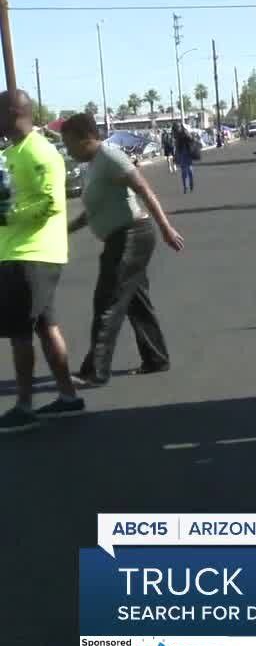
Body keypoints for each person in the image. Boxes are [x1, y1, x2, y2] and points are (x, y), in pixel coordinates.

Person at [59, 113, 184, 387]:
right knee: (135, 302)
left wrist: (166, 229)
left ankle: (95, 371)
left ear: (86, 138)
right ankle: (156, 358)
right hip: (120, 237)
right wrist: (65, 230)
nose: (67, 150)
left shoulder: (111, 157)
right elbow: (94, 211)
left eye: (69, 144)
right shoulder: (93, 165)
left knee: (108, 301)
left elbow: (144, 190)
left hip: (132, 236)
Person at [0, 89, 85, 433]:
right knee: (45, 326)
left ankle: (24, 406)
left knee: (20, 333)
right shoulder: (13, 153)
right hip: (20, 251)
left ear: (11, 113)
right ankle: (68, 397)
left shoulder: (40, 152)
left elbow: (50, 203)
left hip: (31, 253)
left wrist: (7, 215)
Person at [172, 122, 197, 193]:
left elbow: (192, 140)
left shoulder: (185, 132)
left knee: (189, 170)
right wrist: (175, 155)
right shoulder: (175, 135)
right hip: (181, 154)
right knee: (183, 172)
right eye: (176, 128)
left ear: (180, 127)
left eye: (178, 127)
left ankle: (191, 183)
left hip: (187, 153)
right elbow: (176, 146)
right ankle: (185, 186)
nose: (177, 129)